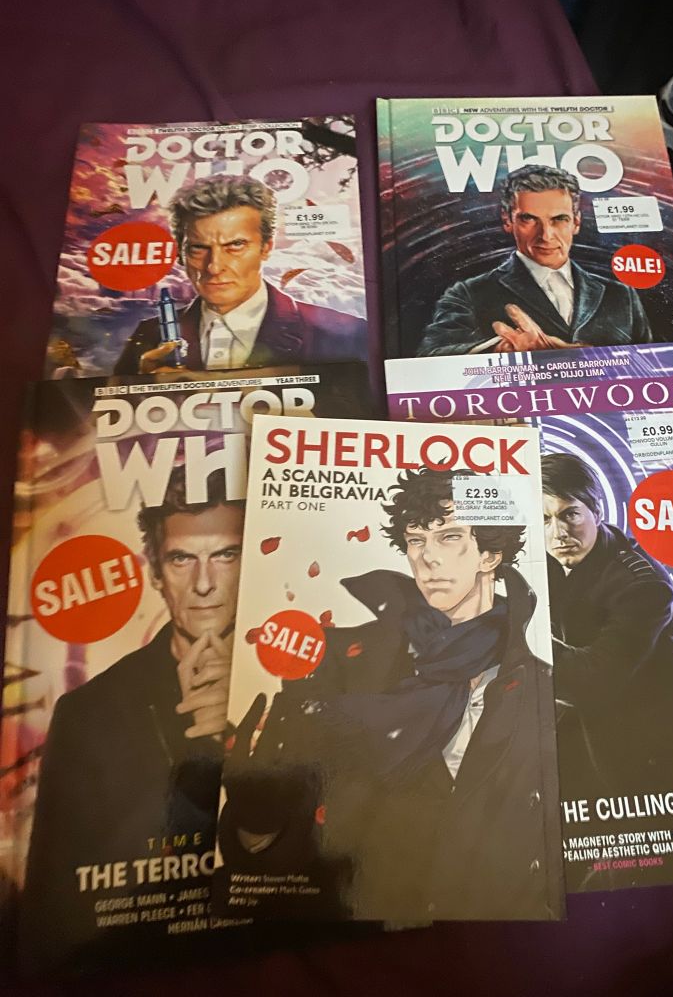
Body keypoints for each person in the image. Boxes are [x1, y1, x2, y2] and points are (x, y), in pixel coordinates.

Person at [218, 467, 560, 921]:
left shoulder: (543, 685)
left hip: (494, 933)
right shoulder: (341, 661)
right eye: (416, 540)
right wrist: (256, 822)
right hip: (364, 927)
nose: (427, 558)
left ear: (490, 554)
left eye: (449, 537)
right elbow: (291, 864)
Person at [20, 466, 244, 971]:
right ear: (155, 573)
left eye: (225, 555)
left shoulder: (314, 675)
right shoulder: (88, 713)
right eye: (182, 558)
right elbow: (56, 910)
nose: (204, 584)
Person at [541, 452, 673, 883]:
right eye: (543, 518)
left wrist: (515, 635)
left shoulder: (642, 584)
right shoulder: (548, 557)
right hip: (607, 731)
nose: (558, 532)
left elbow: (592, 680)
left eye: (569, 514)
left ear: (596, 510)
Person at [113, 174, 367, 374]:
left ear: (266, 248)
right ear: (181, 253)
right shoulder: (148, 336)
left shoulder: (345, 334)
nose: (214, 267)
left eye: (235, 245)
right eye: (199, 248)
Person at [418, 164, 652, 356]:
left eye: (559, 219)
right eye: (529, 219)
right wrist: (499, 351)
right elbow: (430, 357)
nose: (546, 236)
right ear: (508, 221)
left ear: (576, 222)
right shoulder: (468, 294)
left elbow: (653, 365)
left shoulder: (621, 296)